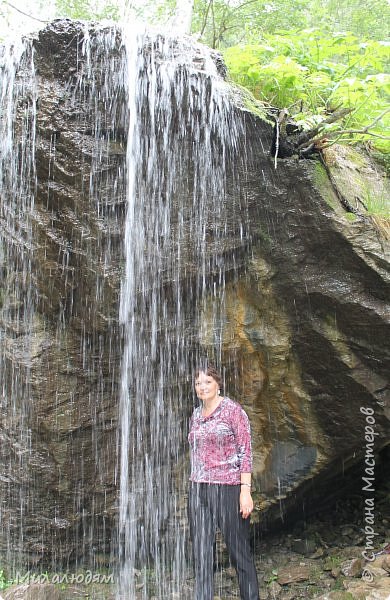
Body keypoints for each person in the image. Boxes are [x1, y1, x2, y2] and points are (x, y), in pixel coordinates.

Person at [188, 365, 259, 600]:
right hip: (199, 488)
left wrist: (245, 491)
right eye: (199, 383)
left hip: (228, 488)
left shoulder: (233, 411)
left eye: (207, 382)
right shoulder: (195, 415)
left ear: (218, 384)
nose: (202, 387)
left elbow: (246, 453)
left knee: (239, 553)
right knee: (201, 556)